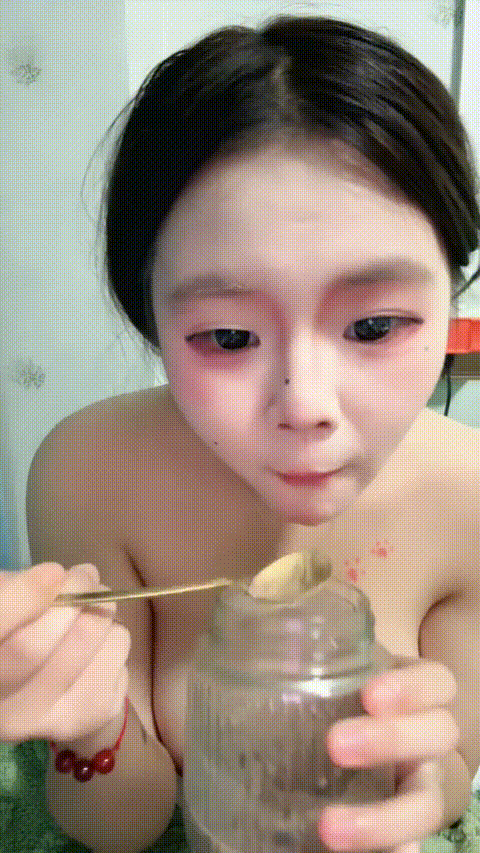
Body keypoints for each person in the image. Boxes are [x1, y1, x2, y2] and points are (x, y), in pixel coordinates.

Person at [1, 15, 478, 853]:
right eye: (228, 337)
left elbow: (452, 770)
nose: (307, 405)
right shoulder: (89, 470)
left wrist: (418, 774)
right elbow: (123, 824)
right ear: (150, 319)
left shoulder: (469, 494)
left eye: (373, 325)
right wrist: (93, 726)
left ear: (452, 294)